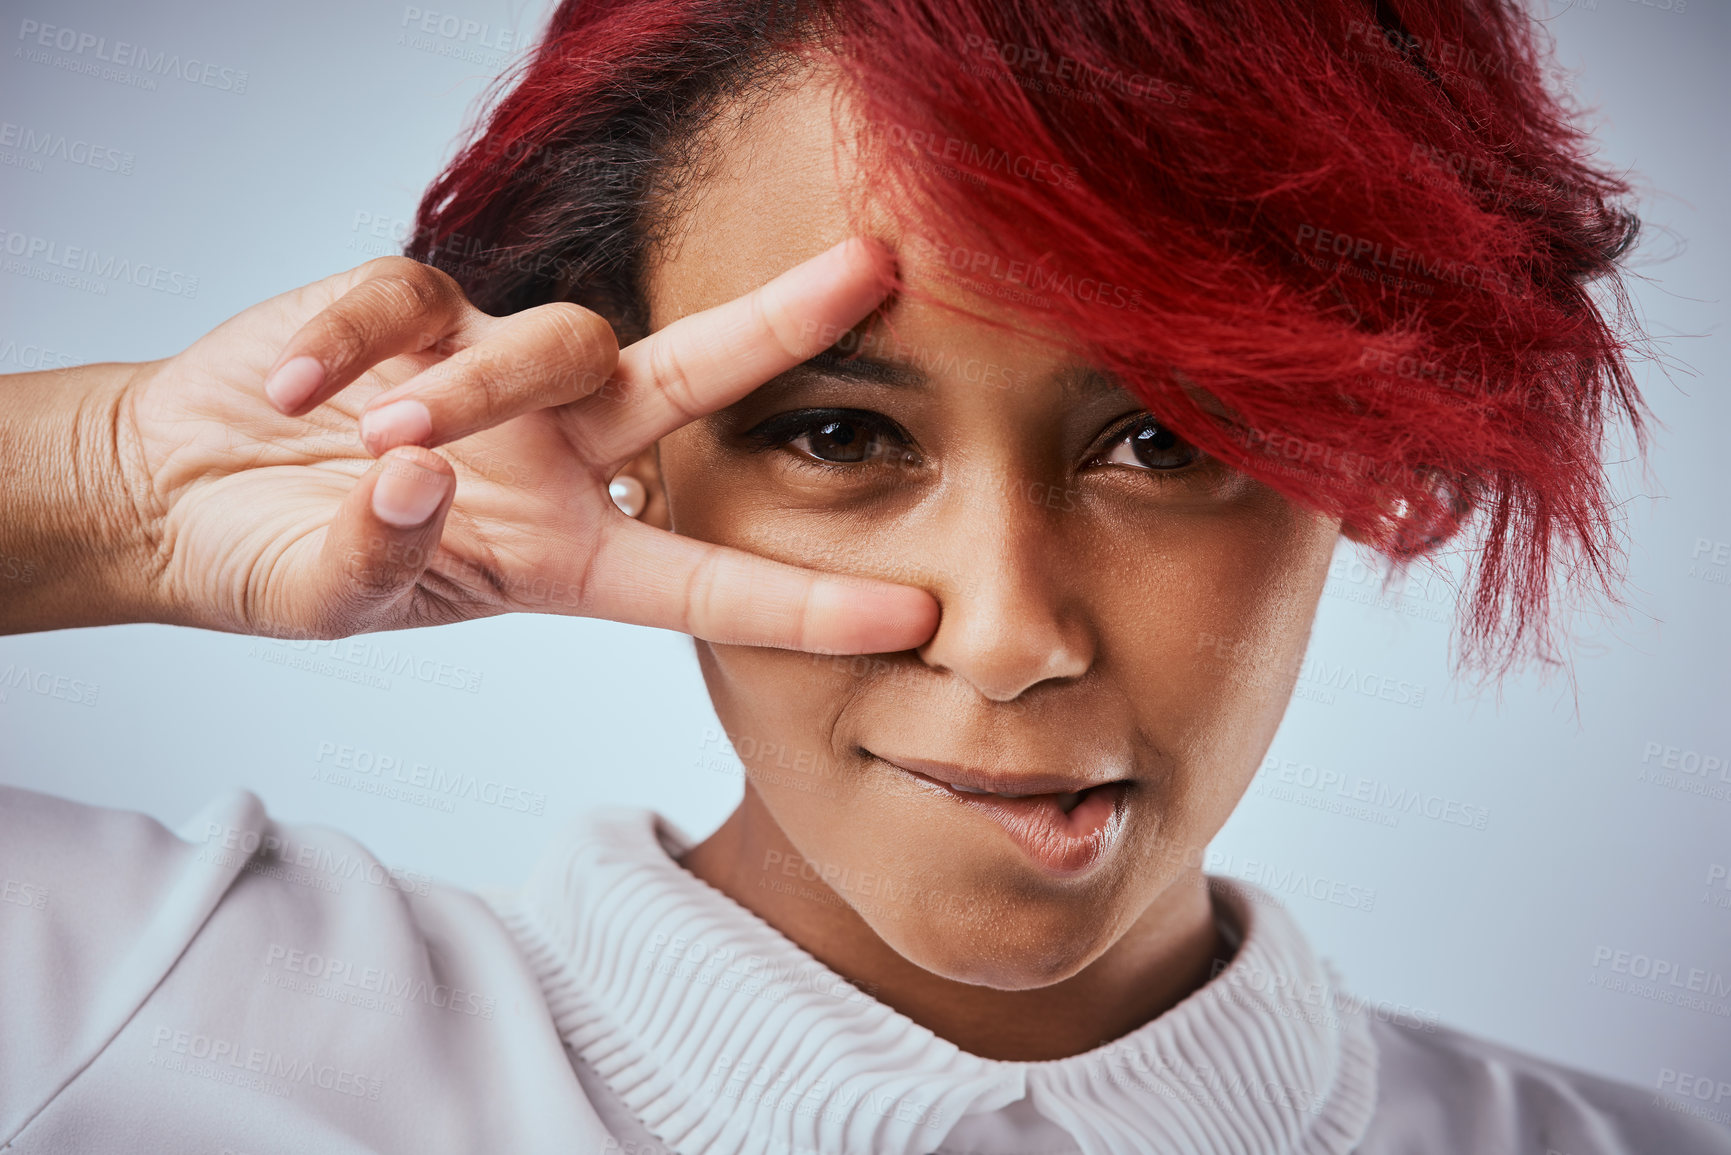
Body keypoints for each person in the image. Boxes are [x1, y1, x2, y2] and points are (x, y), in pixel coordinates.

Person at [0, 0, 1723, 1152]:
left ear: (1366, 446)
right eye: (836, 436)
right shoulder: (136, 1016)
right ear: (631, 438)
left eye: (1169, 442)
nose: (1009, 636)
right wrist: (110, 491)